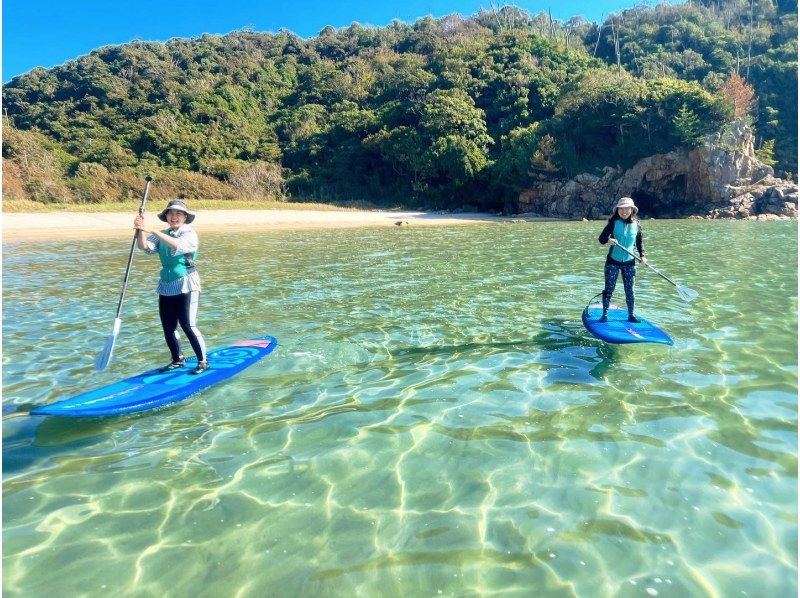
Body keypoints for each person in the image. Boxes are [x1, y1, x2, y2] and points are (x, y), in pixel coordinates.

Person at [134, 199, 209, 374]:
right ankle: (177, 359)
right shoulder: (162, 233)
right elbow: (145, 247)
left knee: (188, 325)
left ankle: (203, 361)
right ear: (166, 216)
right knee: (168, 326)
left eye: (178, 214)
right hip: (166, 286)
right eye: (170, 213)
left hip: (187, 284)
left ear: (184, 217)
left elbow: (177, 245)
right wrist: (140, 230)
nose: (174, 217)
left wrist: (151, 229)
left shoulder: (189, 233)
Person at [597, 197, 647, 323]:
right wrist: (609, 240)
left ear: (632, 210)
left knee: (630, 290)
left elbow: (639, 242)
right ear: (618, 210)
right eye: (621, 209)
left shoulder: (637, 225)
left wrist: (643, 256)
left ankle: (631, 315)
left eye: (627, 208)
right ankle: (605, 315)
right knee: (609, 289)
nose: (624, 211)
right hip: (612, 262)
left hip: (630, 263)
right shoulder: (613, 222)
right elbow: (601, 238)